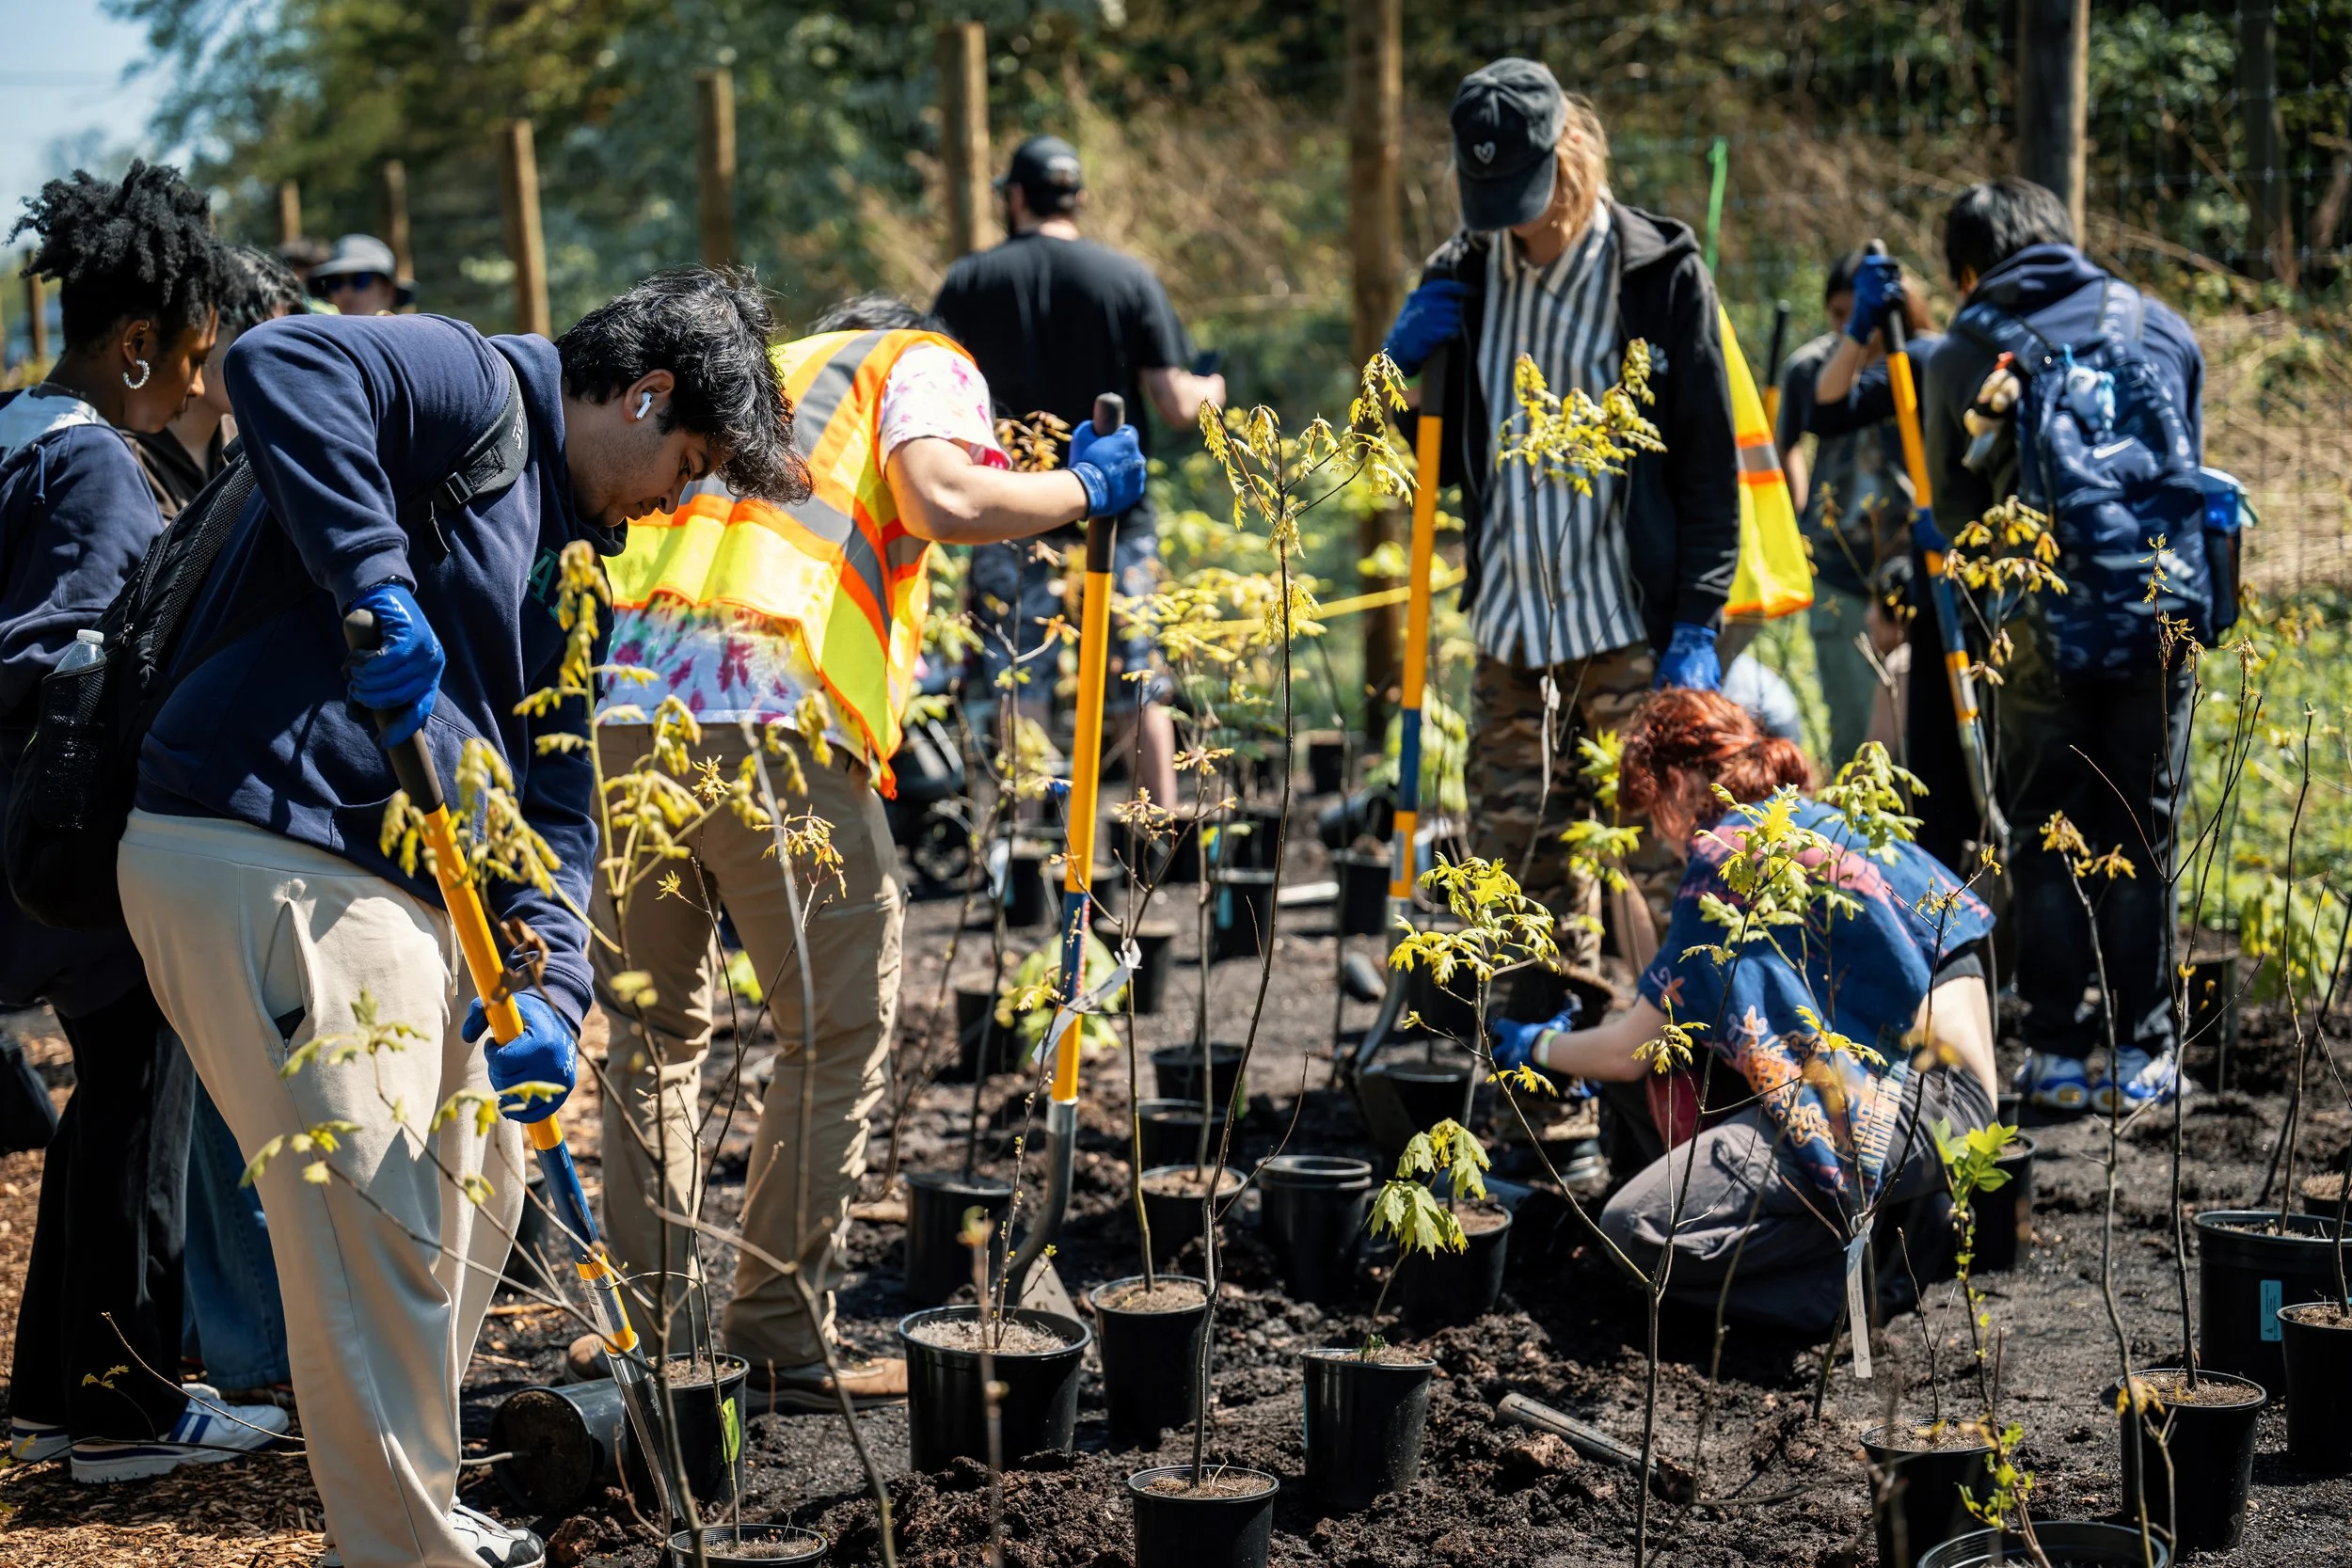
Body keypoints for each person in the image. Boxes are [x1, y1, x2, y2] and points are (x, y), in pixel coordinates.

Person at [114, 267, 803, 1568]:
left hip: (393, 887)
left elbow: (561, 802)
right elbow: (283, 368)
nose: (679, 502)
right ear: (645, 398)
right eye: (691, 463)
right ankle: (401, 1547)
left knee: (473, 1189)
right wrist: (374, 579)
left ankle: (414, 1504)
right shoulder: (479, 380)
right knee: (381, 1214)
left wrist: (549, 996)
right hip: (270, 840)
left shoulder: (575, 563)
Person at [587, 292, 1149, 1408]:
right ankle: (778, 1339)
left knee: (652, 1033)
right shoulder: (916, 356)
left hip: (628, 713)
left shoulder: (760, 368)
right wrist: (1084, 488)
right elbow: (942, 496)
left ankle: (658, 1340)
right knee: (832, 1031)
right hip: (770, 708)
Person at [0, 163, 291, 1482]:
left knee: (117, 1079)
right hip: (46, 863)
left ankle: (62, 1395)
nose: (197, 382)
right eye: (189, 357)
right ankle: (120, 1407)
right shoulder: (100, 472)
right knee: (139, 1084)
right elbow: (56, 650)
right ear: (135, 347)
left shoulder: (15, 434)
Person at [1492, 689, 1997, 1332]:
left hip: (1911, 1109)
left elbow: (1630, 1048)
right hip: (1961, 1102)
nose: (1655, 832)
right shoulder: (1822, 822)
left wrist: (1535, 1047)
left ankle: (1854, 1280)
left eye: (1652, 809)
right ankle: (1897, 1223)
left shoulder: (1728, 854)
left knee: (1631, 1228)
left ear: (1676, 781)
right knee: (1683, 1069)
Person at [1381, 59, 1740, 966]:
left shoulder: (1656, 274)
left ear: (1570, 152)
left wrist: (1698, 615)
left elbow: (1706, 462)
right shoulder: (1461, 272)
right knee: (1519, 882)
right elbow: (1393, 431)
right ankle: (1544, 1076)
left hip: (1628, 627)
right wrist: (1394, 368)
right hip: (1509, 639)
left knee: (1665, 865)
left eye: (1524, 188)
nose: (1510, 211)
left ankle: (1674, 1084)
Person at [1920, 178, 2206, 1116]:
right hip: (2163, 608)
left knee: (2048, 826)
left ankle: (2053, 1048)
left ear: (1969, 268)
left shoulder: (1966, 348)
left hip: (2037, 626)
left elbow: (1953, 524)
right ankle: (2145, 1048)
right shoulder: (2161, 325)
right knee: (2144, 816)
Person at [123, 243, 308, 1408]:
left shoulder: (238, 459)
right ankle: (245, 1349)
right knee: (201, 1097)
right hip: (169, 806)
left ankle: (239, 1331)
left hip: (219, 806)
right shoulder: (138, 470)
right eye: (269, 347)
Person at [931, 135, 1224, 814]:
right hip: (1116, 517)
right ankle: (1157, 842)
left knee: (1018, 677)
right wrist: (1216, 382)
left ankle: (1023, 858)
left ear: (1016, 196)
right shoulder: (1127, 278)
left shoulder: (970, 282)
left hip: (1010, 510)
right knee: (1139, 676)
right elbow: (1180, 406)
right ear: (1079, 197)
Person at [1772, 250, 1932, 769]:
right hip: (1840, 574)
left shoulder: (1915, 365)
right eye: (1838, 315)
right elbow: (1785, 446)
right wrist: (1800, 521)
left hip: (1911, 578)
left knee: (1916, 742)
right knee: (1855, 742)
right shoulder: (1811, 370)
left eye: (1855, 314)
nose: (1847, 326)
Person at [129, 245, 307, 513]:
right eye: (259, 342)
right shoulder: (127, 458)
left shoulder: (255, 442)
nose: (279, 364)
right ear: (204, 330)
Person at [307, 233, 413, 317]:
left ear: (389, 291)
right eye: (335, 282)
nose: (346, 292)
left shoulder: (409, 340)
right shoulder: (324, 340)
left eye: (360, 280)